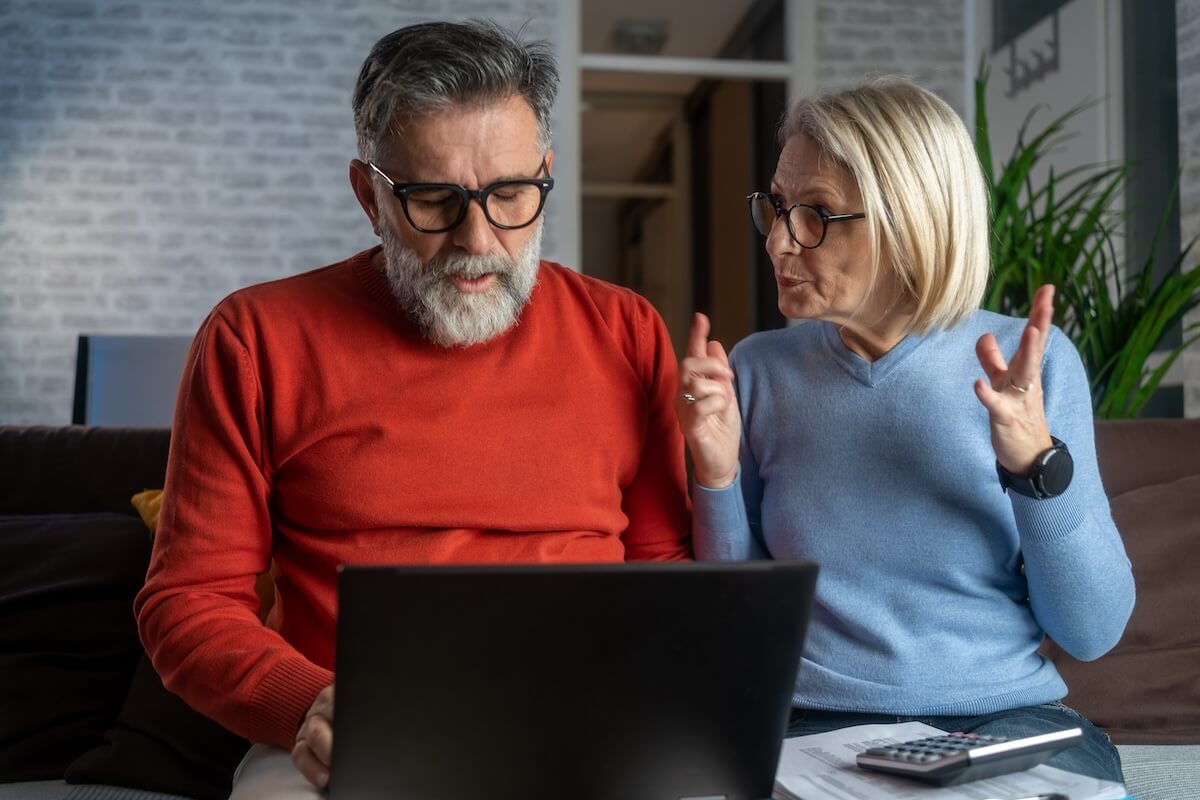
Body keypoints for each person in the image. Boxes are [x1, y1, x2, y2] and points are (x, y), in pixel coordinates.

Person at [134, 19, 691, 797]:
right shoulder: (254, 338)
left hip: (586, 719)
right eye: (434, 200)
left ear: (544, 173)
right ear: (370, 195)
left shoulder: (625, 328)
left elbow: (665, 570)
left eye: (510, 196)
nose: (478, 239)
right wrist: (308, 705)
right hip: (354, 730)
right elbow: (190, 600)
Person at [676, 77, 1134, 783]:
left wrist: (1036, 465)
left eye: (817, 214)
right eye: (777, 206)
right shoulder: (758, 370)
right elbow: (742, 623)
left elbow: (1092, 631)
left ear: (907, 222)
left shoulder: (1029, 366)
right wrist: (715, 473)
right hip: (812, 716)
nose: (779, 240)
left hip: (1004, 716)